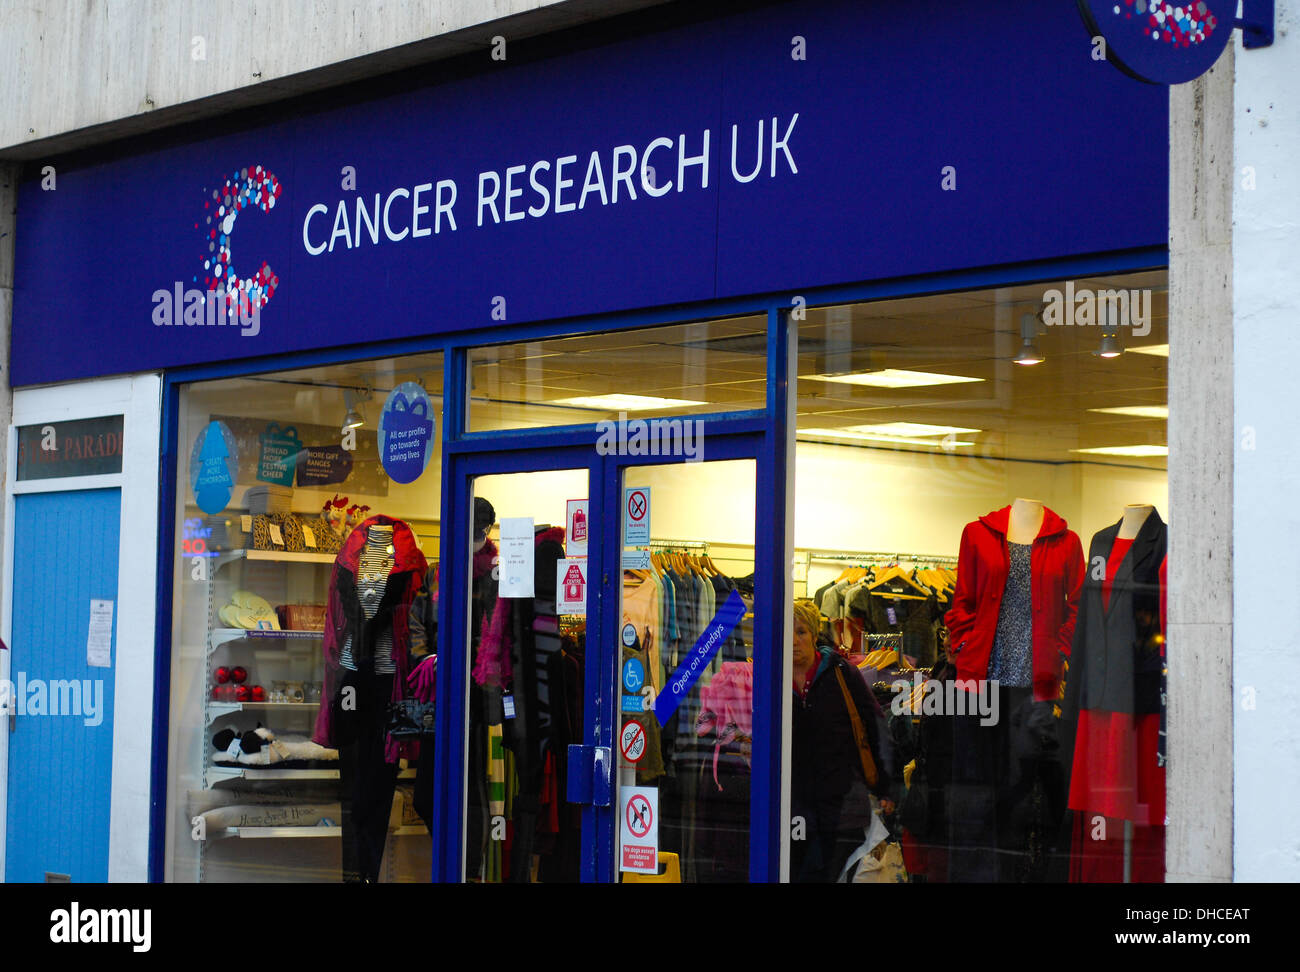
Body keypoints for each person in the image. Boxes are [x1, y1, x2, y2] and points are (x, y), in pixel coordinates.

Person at [790, 598, 892, 882]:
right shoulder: (773, 678)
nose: (795, 641)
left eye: (802, 632)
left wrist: (885, 787)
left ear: (813, 635)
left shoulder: (841, 673)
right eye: (789, 632)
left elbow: (875, 725)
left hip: (842, 803)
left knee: (834, 873)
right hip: (794, 803)